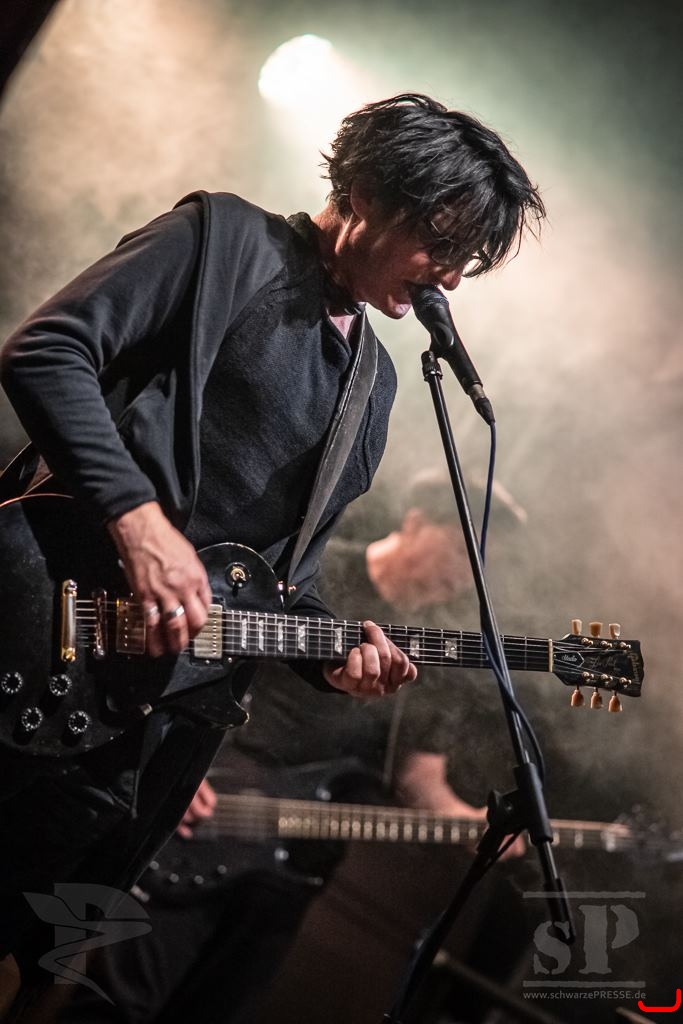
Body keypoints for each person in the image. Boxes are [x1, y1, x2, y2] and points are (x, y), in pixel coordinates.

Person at [0, 91, 545, 1006]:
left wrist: (333, 655)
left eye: (465, 264)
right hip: (37, 629)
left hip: (152, 727)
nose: (448, 281)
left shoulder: (372, 387)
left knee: (46, 973)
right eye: (440, 246)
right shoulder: (223, 242)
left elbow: (277, 584)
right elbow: (46, 351)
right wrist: (139, 523)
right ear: (367, 194)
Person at [51, 469, 528, 1024]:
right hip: (207, 807)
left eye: (483, 566)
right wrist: (178, 763)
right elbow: (189, 660)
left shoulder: (432, 649)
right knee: (118, 1009)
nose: (469, 576)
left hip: (295, 862)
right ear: (416, 521)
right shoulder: (312, 574)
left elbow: (420, 778)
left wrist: (475, 824)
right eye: (465, 551)